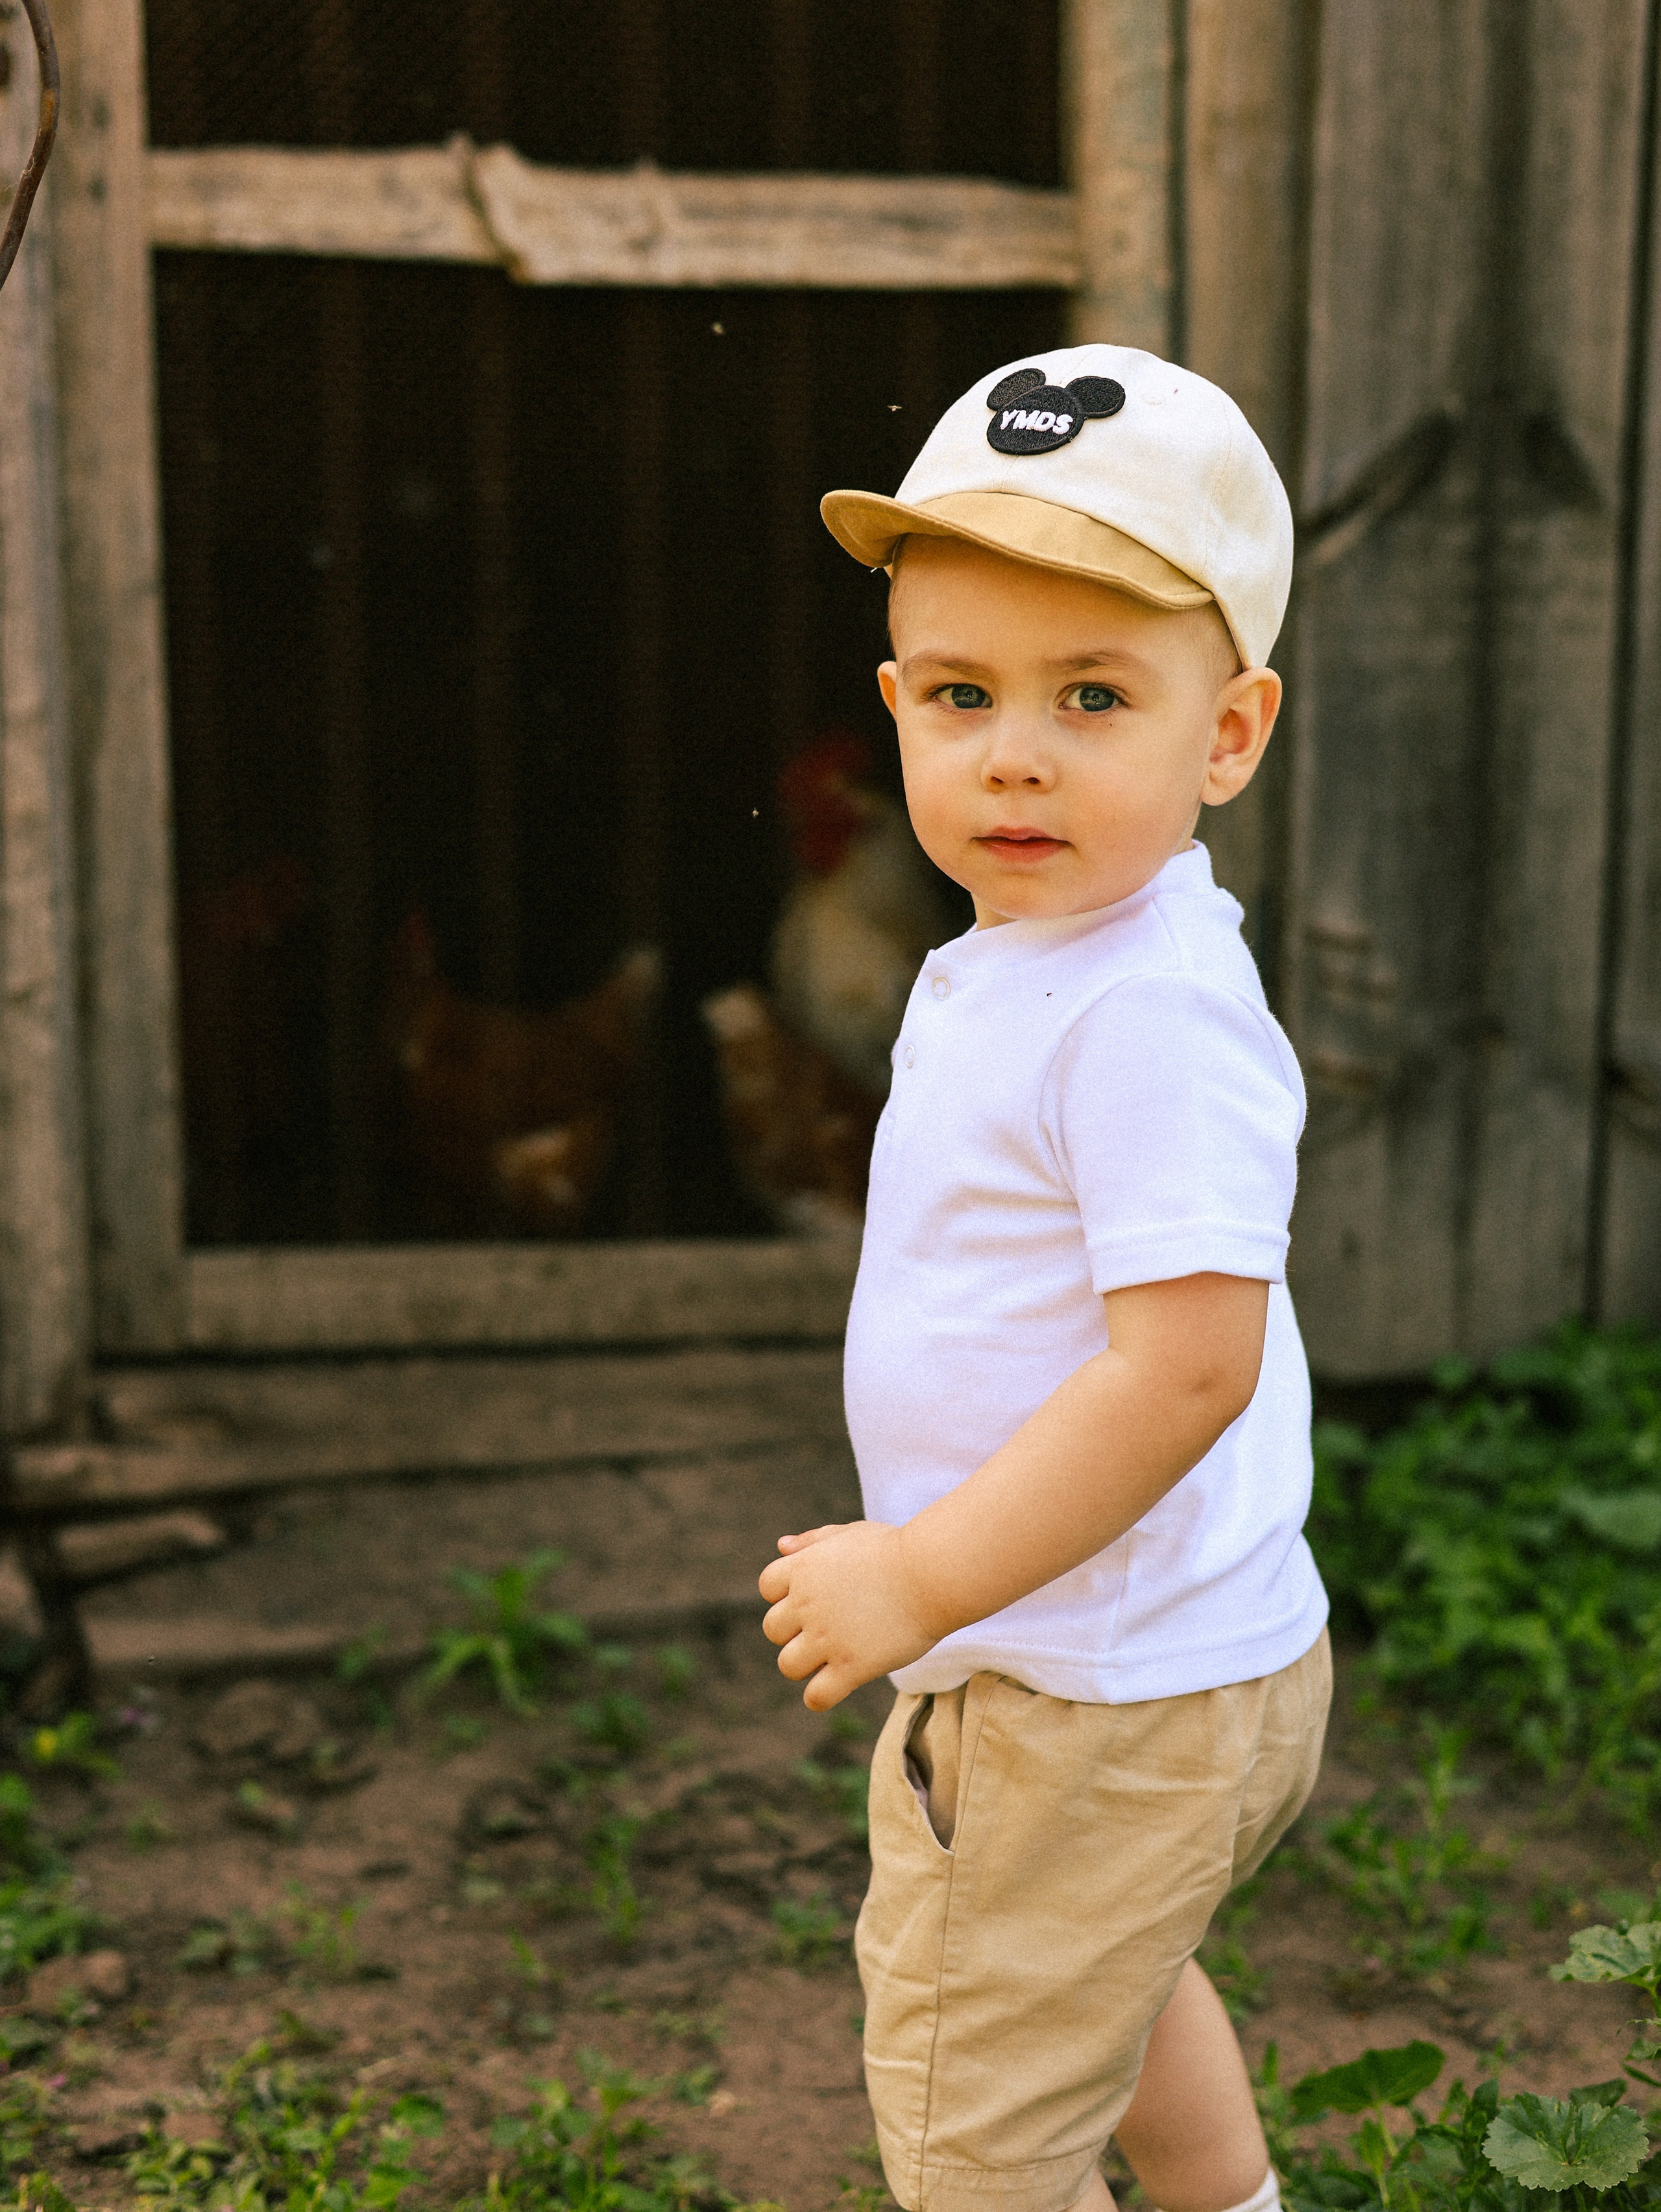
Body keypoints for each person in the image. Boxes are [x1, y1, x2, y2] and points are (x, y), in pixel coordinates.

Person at [757, 344, 1331, 2212]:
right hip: (1166, 1664)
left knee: (979, 2135)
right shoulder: (1069, 950)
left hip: (1074, 1692)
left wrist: (924, 1574)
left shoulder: (1144, 1013)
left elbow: (1188, 1369)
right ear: (896, 707)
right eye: (962, 693)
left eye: (1093, 694)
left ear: (1227, 734)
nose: (1014, 749)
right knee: (1114, 1976)